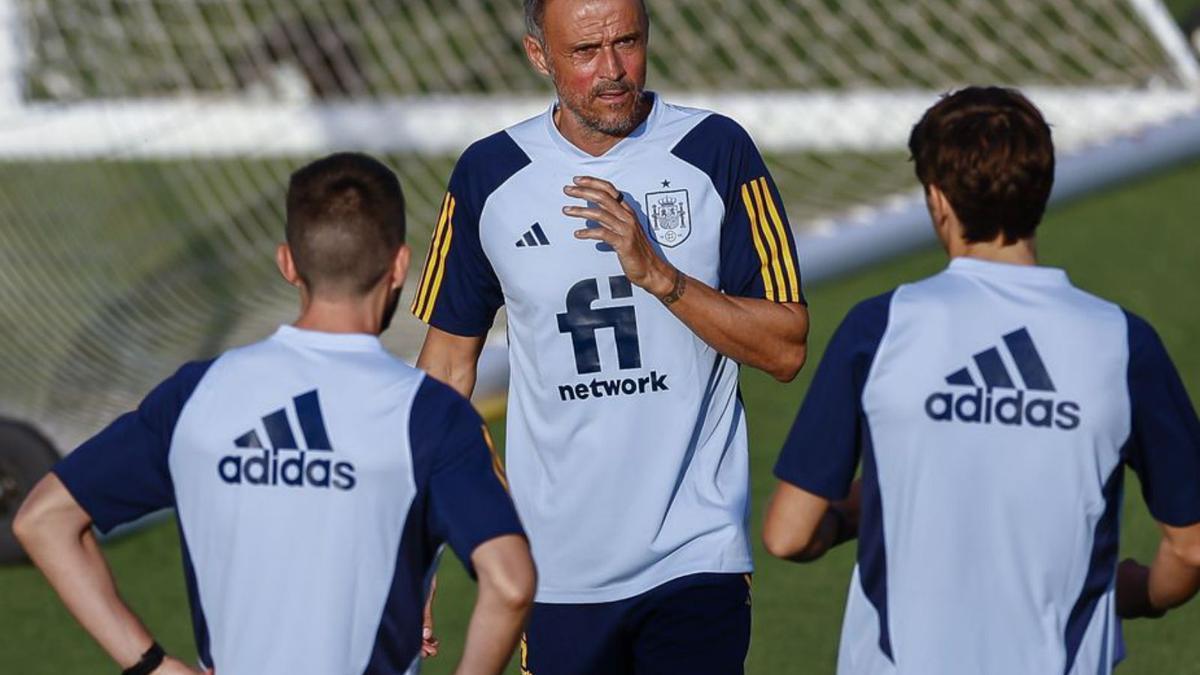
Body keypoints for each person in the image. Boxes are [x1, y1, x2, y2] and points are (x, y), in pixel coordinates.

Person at [14, 153, 535, 675]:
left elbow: (44, 520)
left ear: (287, 262)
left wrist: (153, 665)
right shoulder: (430, 414)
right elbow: (510, 585)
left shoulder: (197, 395)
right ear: (399, 264)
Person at [410, 0, 809, 672]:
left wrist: (661, 276)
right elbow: (441, 379)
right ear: (539, 56)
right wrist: (418, 554)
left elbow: (787, 346)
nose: (613, 69)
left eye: (627, 42)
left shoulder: (716, 151)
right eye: (585, 52)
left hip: (695, 557)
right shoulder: (488, 176)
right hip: (556, 571)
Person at [762, 86, 1200, 674]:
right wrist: (1141, 594)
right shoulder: (1121, 342)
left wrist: (858, 512)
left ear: (938, 200)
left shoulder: (881, 327)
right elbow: (1191, 546)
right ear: (1041, 191)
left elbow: (789, 534)